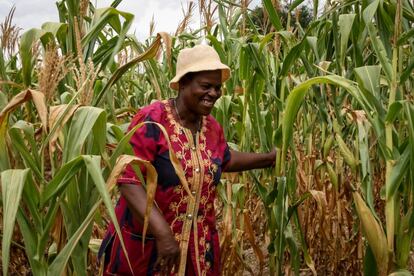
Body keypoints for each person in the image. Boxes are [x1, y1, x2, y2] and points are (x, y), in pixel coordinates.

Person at [98, 44, 276, 275]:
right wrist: (162, 232)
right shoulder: (153, 119)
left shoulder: (212, 128)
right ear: (183, 83)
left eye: (217, 87)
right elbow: (127, 177)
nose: (213, 93)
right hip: (149, 248)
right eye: (205, 86)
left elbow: (224, 160)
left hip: (198, 249)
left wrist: (269, 159)